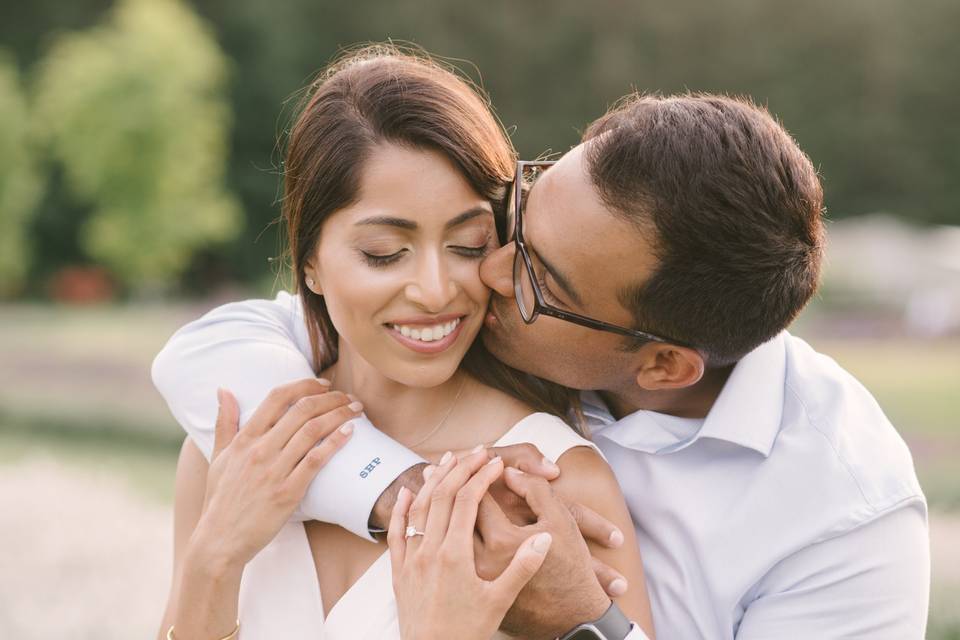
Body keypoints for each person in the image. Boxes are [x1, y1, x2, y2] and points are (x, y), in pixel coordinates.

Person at [155, 88, 931, 637]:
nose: (480, 277)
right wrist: (394, 495)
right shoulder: (395, 347)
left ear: (661, 366)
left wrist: (583, 627)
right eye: (516, 217)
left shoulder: (842, 525)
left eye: (535, 279)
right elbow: (211, 348)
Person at [154, 45, 655, 640]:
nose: (436, 290)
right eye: (384, 254)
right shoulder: (242, 448)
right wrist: (213, 563)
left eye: (468, 246)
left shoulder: (551, 487)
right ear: (309, 261)